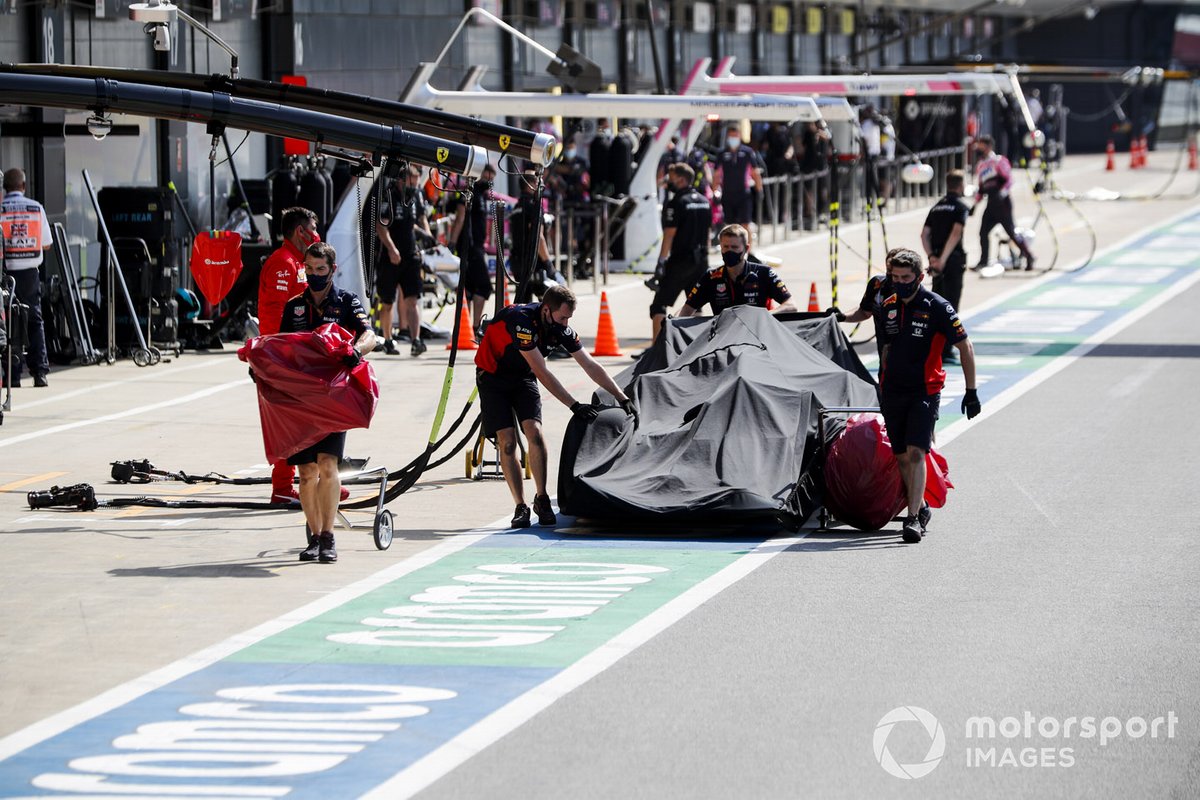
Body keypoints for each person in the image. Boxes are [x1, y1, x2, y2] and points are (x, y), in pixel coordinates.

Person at [475, 284, 635, 528]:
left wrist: (622, 397)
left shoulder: (560, 327)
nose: (565, 323)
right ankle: (520, 506)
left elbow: (589, 364)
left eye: (569, 318)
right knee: (507, 443)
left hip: (522, 376)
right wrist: (573, 405)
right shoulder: (522, 322)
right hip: (493, 378)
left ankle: (542, 498)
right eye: (562, 317)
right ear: (546, 310)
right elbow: (542, 371)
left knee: (535, 434)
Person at [278, 241, 378, 563]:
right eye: (309, 269)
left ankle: (328, 537)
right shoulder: (293, 306)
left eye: (321, 270)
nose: (314, 275)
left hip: (334, 397)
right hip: (301, 399)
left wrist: (356, 351)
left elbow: (370, 336)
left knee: (327, 464)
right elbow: (279, 347)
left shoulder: (347, 301)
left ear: (332, 270)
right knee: (306, 471)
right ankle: (314, 535)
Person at [876, 248, 981, 544]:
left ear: (920, 277)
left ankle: (911, 519)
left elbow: (965, 346)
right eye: (894, 277)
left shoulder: (937, 306)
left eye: (905, 277)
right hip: (893, 390)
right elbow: (886, 348)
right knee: (900, 455)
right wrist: (881, 382)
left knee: (916, 452)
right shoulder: (888, 305)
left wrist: (971, 391)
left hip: (925, 389)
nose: (899, 282)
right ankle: (920, 506)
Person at [258, 207, 328, 504]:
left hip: (300, 356)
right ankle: (283, 488)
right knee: (287, 423)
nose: (316, 232)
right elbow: (276, 317)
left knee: (312, 419)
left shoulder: (299, 263)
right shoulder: (282, 264)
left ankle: (325, 480)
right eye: (312, 228)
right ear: (301, 231)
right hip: (283, 358)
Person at [647, 163, 712, 341]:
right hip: (701, 261)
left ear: (681, 180)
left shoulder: (677, 202)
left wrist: (661, 262)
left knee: (659, 305)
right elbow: (707, 234)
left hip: (681, 260)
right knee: (696, 306)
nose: (669, 182)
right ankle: (695, 347)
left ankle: (657, 350)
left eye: (671, 178)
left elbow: (669, 234)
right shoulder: (704, 201)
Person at [0, 168, 52, 388]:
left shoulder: (0, 210)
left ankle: (13, 375)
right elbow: (47, 243)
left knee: (9, 322)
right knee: (34, 320)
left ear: (5, 188)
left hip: (6, 273)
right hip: (30, 272)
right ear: (23, 186)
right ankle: (39, 373)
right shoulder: (35, 208)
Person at [375, 164, 432, 356]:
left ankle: (416, 340)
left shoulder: (415, 196)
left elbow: (420, 219)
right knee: (388, 301)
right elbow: (381, 226)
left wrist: (427, 235)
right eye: (411, 182)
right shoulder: (388, 196)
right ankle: (388, 339)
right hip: (390, 256)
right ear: (400, 181)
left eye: (416, 183)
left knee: (412, 299)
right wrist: (392, 249)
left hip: (411, 255)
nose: (414, 186)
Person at [679, 224, 795, 317]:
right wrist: (673, 324)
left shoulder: (764, 273)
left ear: (746, 249)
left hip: (756, 336)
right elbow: (686, 310)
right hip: (724, 338)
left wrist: (765, 316)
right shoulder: (711, 277)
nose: (729, 251)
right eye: (725, 247)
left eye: (734, 248)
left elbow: (791, 305)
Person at [921, 170, 971, 364]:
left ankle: (934, 348)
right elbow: (956, 233)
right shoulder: (960, 207)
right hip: (951, 261)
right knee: (951, 306)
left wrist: (932, 257)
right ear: (960, 185)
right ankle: (947, 349)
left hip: (936, 263)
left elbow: (924, 235)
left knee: (936, 305)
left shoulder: (936, 207)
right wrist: (942, 258)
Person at [972, 134, 1035, 270]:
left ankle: (1029, 256)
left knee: (1011, 232)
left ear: (988, 147)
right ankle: (983, 261)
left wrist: (1002, 193)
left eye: (981, 145)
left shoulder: (998, 161)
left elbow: (1009, 180)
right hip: (991, 204)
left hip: (1003, 204)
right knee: (983, 232)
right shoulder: (981, 166)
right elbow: (981, 188)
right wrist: (974, 205)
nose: (978, 148)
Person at [448, 164, 497, 335]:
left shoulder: (482, 195)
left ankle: (467, 328)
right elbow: (460, 219)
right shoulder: (468, 194)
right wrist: (452, 243)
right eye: (488, 178)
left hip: (476, 247)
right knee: (484, 286)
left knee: (469, 288)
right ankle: (475, 325)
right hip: (469, 247)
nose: (490, 182)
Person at [508, 169, 556, 304]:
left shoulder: (517, 207)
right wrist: (548, 263)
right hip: (533, 262)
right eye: (538, 181)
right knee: (547, 301)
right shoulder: (535, 206)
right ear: (531, 184)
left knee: (523, 301)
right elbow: (538, 237)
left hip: (517, 260)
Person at [714, 124, 763, 247]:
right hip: (728, 193)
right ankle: (730, 248)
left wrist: (759, 189)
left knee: (745, 223)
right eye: (730, 136)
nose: (733, 139)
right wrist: (715, 191)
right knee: (729, 225)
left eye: (735, 136)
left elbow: (755, 172)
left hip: (743, 193)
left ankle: (748, 249)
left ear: (740, 136)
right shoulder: (722, 153)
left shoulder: (747, 152)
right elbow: (716, 174)